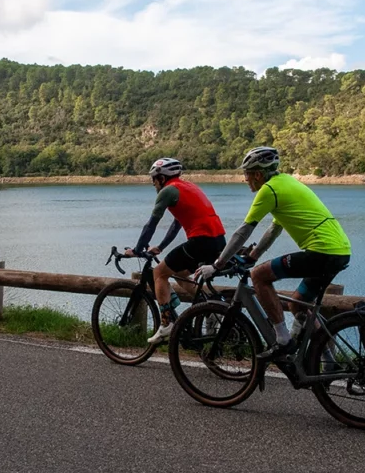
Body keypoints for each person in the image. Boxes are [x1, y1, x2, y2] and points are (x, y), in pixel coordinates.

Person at [195, 146, 350, 358]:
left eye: (247, 174)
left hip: (321, 251)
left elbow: (244, 231)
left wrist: (217, 265)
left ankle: (283, 340)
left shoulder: (269, 190)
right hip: (340, 251)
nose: (246, 179)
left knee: (258, 275)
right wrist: (254, 254)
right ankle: (330, 363)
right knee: (299, 304)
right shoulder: (286, 182)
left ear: (258, 174)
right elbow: (275, 227)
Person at [124, 157, 226, 343]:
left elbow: (151, 224)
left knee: (159, 273)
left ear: (162, 178)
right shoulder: (188, 187)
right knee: (181, 274)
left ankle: (166, 324)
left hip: (201, 241)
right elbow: (177, 224)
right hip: (218, 241)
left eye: (154, 179)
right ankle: (212, 306)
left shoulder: (167, 191)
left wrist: (137, 249)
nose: (153, 183)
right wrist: (160, 247)